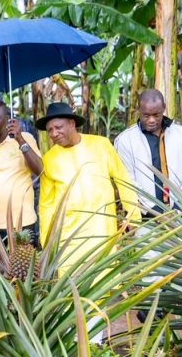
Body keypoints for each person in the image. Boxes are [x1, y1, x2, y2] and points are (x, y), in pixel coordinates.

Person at [38, 102, 140, 272]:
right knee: (71, 287)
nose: (54, 133)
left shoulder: (101, 145)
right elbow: (46, 204)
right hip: (68, 238)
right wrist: (47, 241)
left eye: (58, 127)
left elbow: (123, 179)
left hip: (102, 230)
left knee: (104, 280)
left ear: (72, 123)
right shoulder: (49, 159)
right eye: (49, 130)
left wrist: (133, 215)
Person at [0, 99, 44, 248]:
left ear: (7, 119)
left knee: (23, 271)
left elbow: (39, 170)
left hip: (22, 224)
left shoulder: (26, 138)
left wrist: (20, 139)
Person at [114, 89, 181, 217]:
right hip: (146, 217)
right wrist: (156, 212)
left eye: (156, 115)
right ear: (139, 110)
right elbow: (128, 181)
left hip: (179, 212)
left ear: (164, 109)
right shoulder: (125, 140)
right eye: (146, 115)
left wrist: (178, 207)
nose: (151, 120)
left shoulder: (179, 134)